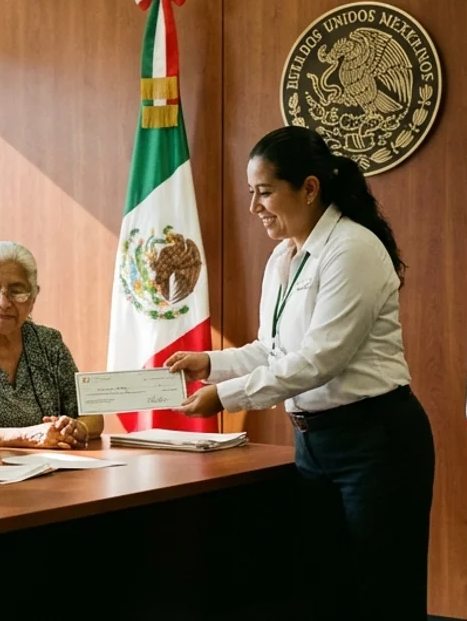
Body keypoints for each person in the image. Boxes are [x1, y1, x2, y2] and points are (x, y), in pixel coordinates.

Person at [166, 126, 435, 620]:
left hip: (376, 443)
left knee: (382, 595)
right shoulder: (283, 255)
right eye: (251, 193)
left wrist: (224, 397)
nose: (254, 207)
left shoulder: (352, 248)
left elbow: (318, 360)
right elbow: (275, 349)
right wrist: (211, 363)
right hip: (314, 444)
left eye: (265, 192)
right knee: (324, 593)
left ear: (309, 188)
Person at [0, 241, 104, 449]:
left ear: (33, 298)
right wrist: (26, 436)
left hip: (53, 467)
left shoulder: (48, 343)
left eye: (17, 291)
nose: (4, 302)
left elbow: (92, 414)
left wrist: (76, 427)